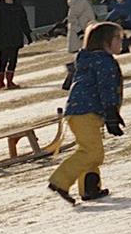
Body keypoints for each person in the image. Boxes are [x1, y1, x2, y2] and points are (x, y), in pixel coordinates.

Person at [47, 22, 125, 204]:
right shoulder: (104, 62)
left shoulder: (90, 59)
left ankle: (90, 188)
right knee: (92, 152)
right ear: (106, 41)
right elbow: (106, 88)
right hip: (85, 112)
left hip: (80, 111)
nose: (122, 42)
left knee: (91, 150)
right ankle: (60, 181)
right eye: (118, 38)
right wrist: (111, 113)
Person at [0, 0, 32, 91]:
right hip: (3, 38)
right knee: (2, 60)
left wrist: (28, 34)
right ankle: (0, 82)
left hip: (16, 36)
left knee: (13, 59)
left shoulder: (18, 6)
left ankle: (10, 81)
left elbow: (24, 21)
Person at [64, 0, 100, 90]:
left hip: (87, 34)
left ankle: (73, 74)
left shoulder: (86, 1)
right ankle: (72, 73)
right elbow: (72, 18)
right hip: (81, 36)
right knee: (87, 58)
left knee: (86, 58)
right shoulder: (81, 1)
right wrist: (80, 33)